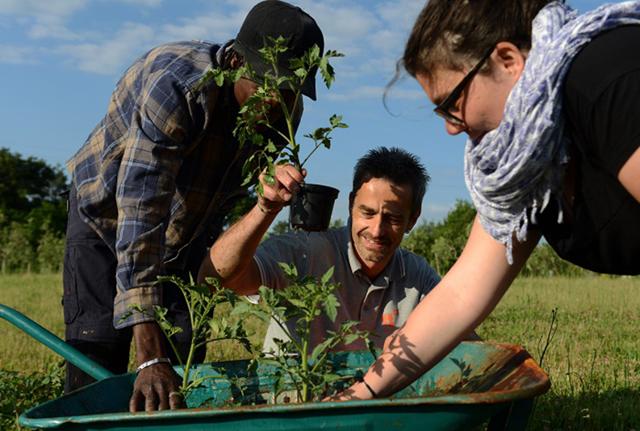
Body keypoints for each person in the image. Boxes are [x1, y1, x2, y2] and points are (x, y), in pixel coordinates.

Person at [331, 0, 640, 400]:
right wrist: (364, 392)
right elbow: (461, 295)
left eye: (452, 103)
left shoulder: (605, 77)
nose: (449, 128)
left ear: (508, 60)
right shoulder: (524, 158)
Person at [63, 0, 324, 411]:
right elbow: (141, 216)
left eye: (290, 89)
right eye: (267, 85)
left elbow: (236, 206)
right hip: (108, 220)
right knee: (99, 354)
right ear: (235, 60)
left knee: (184, 355)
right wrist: (149, 354)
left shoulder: (284, 114)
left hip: (187, 235)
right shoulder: (178, 86)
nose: (278, 101)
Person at [199, 147, 477, 352]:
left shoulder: (417, 277)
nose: (377, 230)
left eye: (392, 218)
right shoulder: (307, 252)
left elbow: (470, 345)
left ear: (412, 220)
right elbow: (217, 279)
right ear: (350, 205)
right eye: (367, 213)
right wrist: (265, 208)